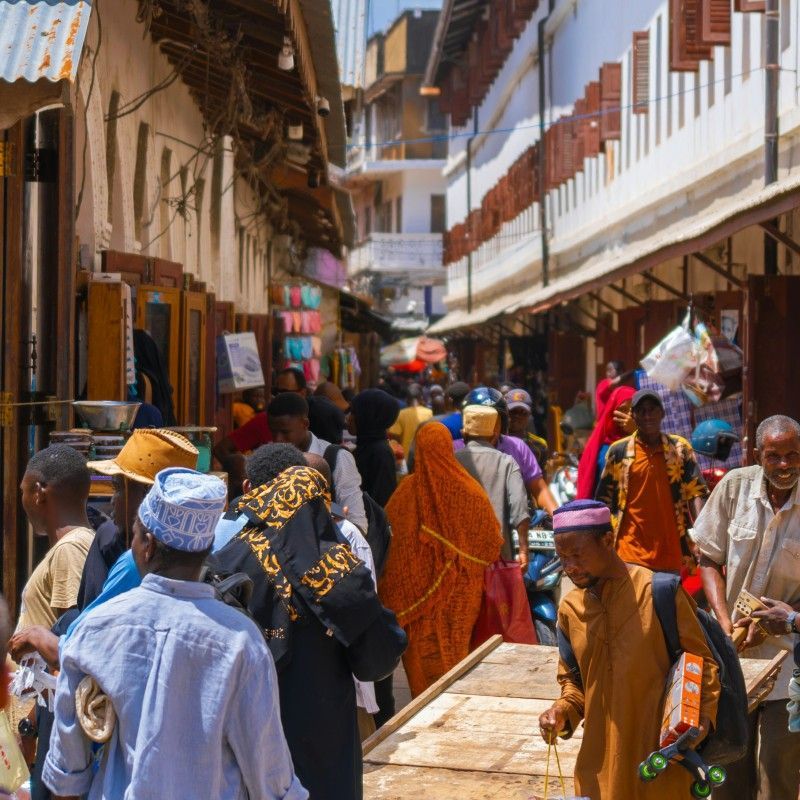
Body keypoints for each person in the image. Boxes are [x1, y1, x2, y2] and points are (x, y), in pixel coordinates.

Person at [42, 468, 307, 800]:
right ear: (206, 548)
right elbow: (269, 773)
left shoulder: (95, 629)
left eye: (136, 533)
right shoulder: (240, 640)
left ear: (147, 545)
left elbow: (68, 774)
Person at [210, 463, 406, 800]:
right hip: (322, 734)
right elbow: (378, 659)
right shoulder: (336, 571)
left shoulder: (229, 559)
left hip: (248, 733)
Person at [539, 499, 720, 800]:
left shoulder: (658, 592)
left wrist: (699, 723)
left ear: (608, 540)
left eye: (577, 555)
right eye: (562, 558)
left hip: (662, 769)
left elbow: (702, 666)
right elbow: (574, 686)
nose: (569, 567)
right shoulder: (569, 610)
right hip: (598, 775)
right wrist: (560, 713)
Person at [693, 414, 800, 800]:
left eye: (792, 455)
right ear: (757, 455)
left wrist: (785, 617)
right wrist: (724, 623)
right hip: (733, 657)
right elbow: (707, 558)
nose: (784, 465)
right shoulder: (735, 488)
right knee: (727, 774)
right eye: (775, 456)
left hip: (790, 662)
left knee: (778, 776)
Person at [380, 422, 503, 697]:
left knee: (423, 670)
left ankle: (428, 718)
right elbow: (491, 542)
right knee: (456, 656)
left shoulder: (405, 493)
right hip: (462, 597)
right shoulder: (470, 490)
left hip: (416, 604)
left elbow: (391, 545)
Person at [78, 428, 198, 607]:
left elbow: (89, 619)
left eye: (118, 487)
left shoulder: (112, 540)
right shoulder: (196, 545)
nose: (112, 499)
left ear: (147, 495)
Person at [595, 389, 707, 572]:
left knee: (667, 600)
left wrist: (701, 533)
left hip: (671, 553)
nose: (647, 416)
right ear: (634, 415)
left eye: (652, 409)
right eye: (641, 411)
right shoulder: (618, 452)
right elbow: (604, 500)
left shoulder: (679, 449)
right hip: (628, 552)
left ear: (662, 413)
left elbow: (696, 491)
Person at [214, 368, 345, 493]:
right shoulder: (264, 421)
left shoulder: (332, 448)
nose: (277, 439)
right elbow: (222, 449)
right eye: (276, 391)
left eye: (286, 391)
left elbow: (353, 514)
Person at [15, 446, 96, 634]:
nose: (22, 499)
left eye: (23, 491)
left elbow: (70, 638)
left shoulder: (70, 548)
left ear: (38, 492)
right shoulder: (76, 543)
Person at [453, 388, 557, 515]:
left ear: (502, 423)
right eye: (478, 420)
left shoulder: (518, 447)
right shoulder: (452, 449)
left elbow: (540, 490)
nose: (486, 425)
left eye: (492, 420)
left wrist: (559, 520)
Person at [454, 406, 530, 567]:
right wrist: (523, 550)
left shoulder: (451, 461)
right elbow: (520, 507)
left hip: (457, 558)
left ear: (463, 433)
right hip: (497, 558)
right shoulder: (506, 462)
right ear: (495, 433)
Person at [576, 385, 636, 499]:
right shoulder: (605, 450)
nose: (628, 416)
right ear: (612, 412)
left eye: (633, 410)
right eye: (623, 410)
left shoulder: (644, 441)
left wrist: (636, 431)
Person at [348, 389, 400, 508]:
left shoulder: (380, 453)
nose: (349, 418)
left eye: (354, 413)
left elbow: (379, 503)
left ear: (367, 416)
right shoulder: (367, 447)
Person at [505, 388, 550, 467]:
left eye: (523, 412)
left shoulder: (539, 445)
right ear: (505, 412)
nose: (517, 416)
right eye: (513, 411)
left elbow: (542, 477)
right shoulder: (495, 441)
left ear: (529, 414)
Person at [388, 384, 432, 456]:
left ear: (407, 399)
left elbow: (394, 436)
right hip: (424, 456)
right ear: (421, 398)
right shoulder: (429, 413)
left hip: (406, 456)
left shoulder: (401, 414)